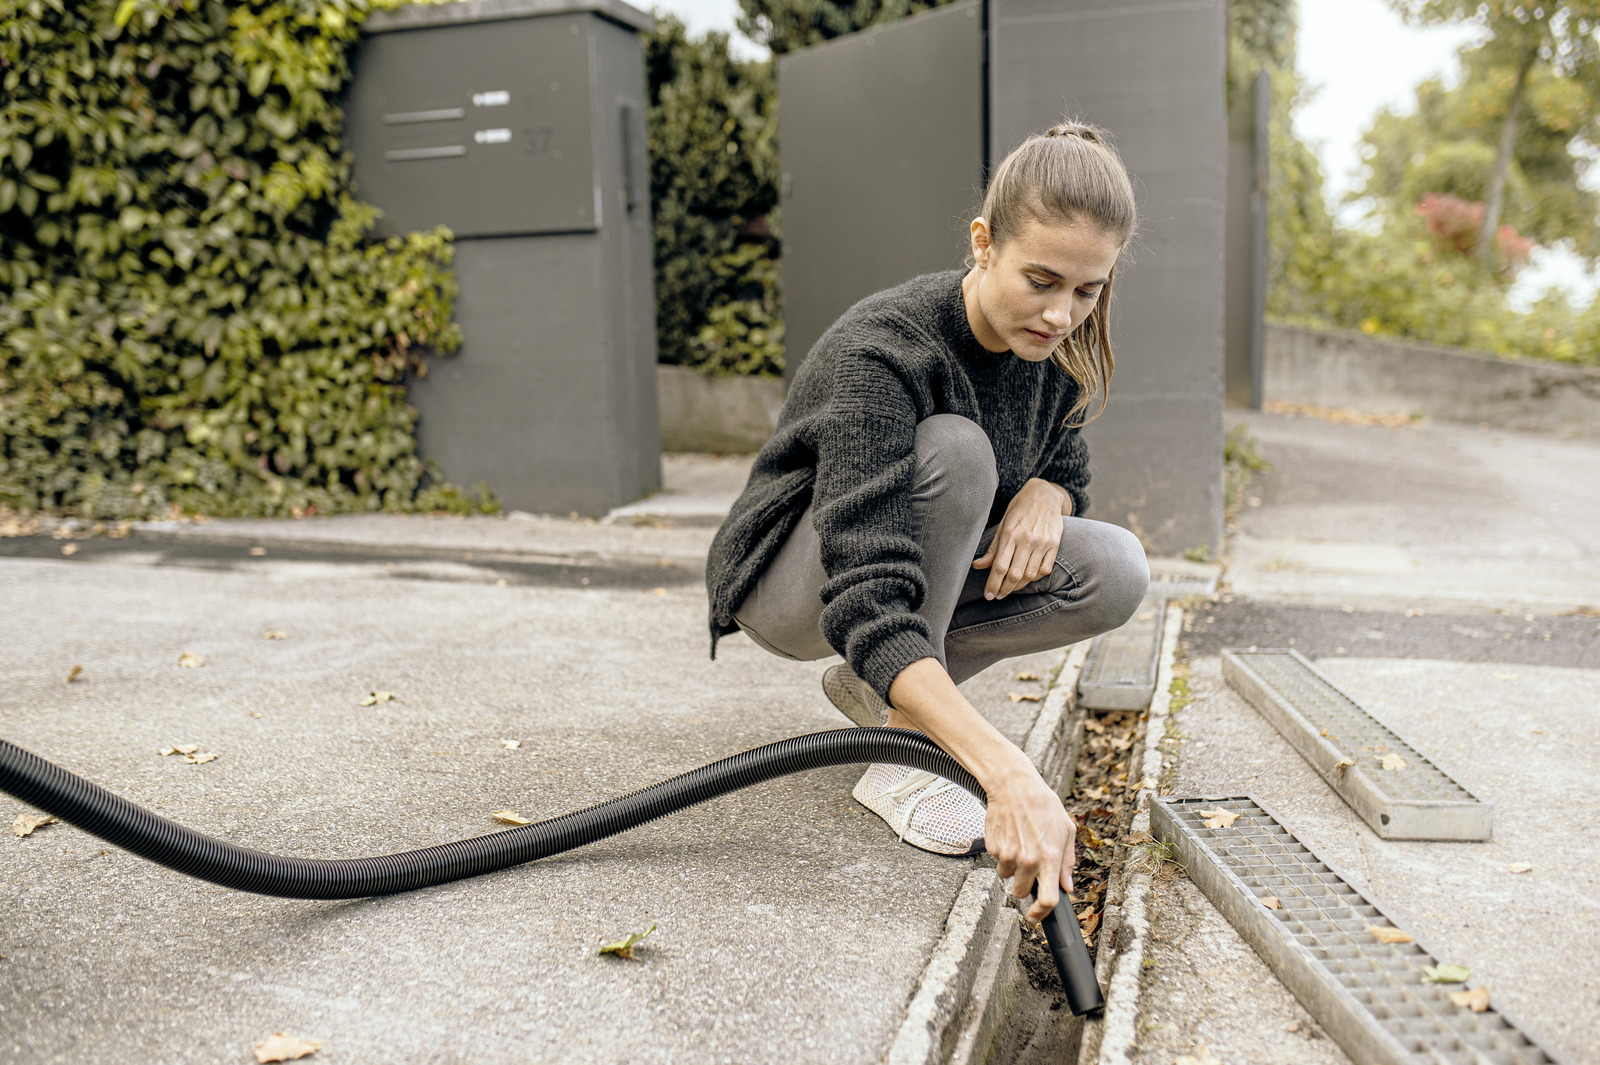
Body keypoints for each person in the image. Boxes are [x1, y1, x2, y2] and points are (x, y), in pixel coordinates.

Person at [704, 120, 1150, 925]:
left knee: (1116, 567)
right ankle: (901, 748)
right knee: (959, 451)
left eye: (1087, 291)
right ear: (984, 243)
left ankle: (881, 685)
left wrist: (1051, 491)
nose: (1061, 315)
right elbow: (865, 591)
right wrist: (1005, 769)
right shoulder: (890, 348)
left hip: (890, 584)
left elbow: (1066, 458)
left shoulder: (1057, 354)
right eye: (1041, 280)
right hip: (793, 585)